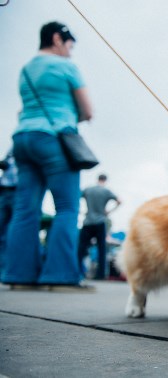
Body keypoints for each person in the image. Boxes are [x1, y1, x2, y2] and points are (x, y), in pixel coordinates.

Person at [1, 21, 94, 291]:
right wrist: (70, 116)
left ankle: (19, 277)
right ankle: (60, 276)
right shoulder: (66, 67)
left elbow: (23, 109)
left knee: (24, 210)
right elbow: (87, 111)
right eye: (69, 46)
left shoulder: (26, 69)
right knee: (66, 208)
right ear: (57, 39)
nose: (70, 52)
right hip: (55, 139)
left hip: (22, 138)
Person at [78, 174, 121, 280]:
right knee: (102, 249)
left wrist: (83, 211)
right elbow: (119, 201)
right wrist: (109, 212)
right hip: (100, 221)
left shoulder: (88, 189)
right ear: (105, 180)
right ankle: (100, 275)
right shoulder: (106, 191)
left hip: (87, 221)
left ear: (97, 179)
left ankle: (77, 271)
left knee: (81, 248)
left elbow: (76, 196)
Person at [0, 149, 18, 274]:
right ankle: (4, 268)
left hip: (17, 191)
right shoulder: (11, 153)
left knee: (13, 231)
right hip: (5, 191)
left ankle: (8, 269)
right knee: (4, 233)